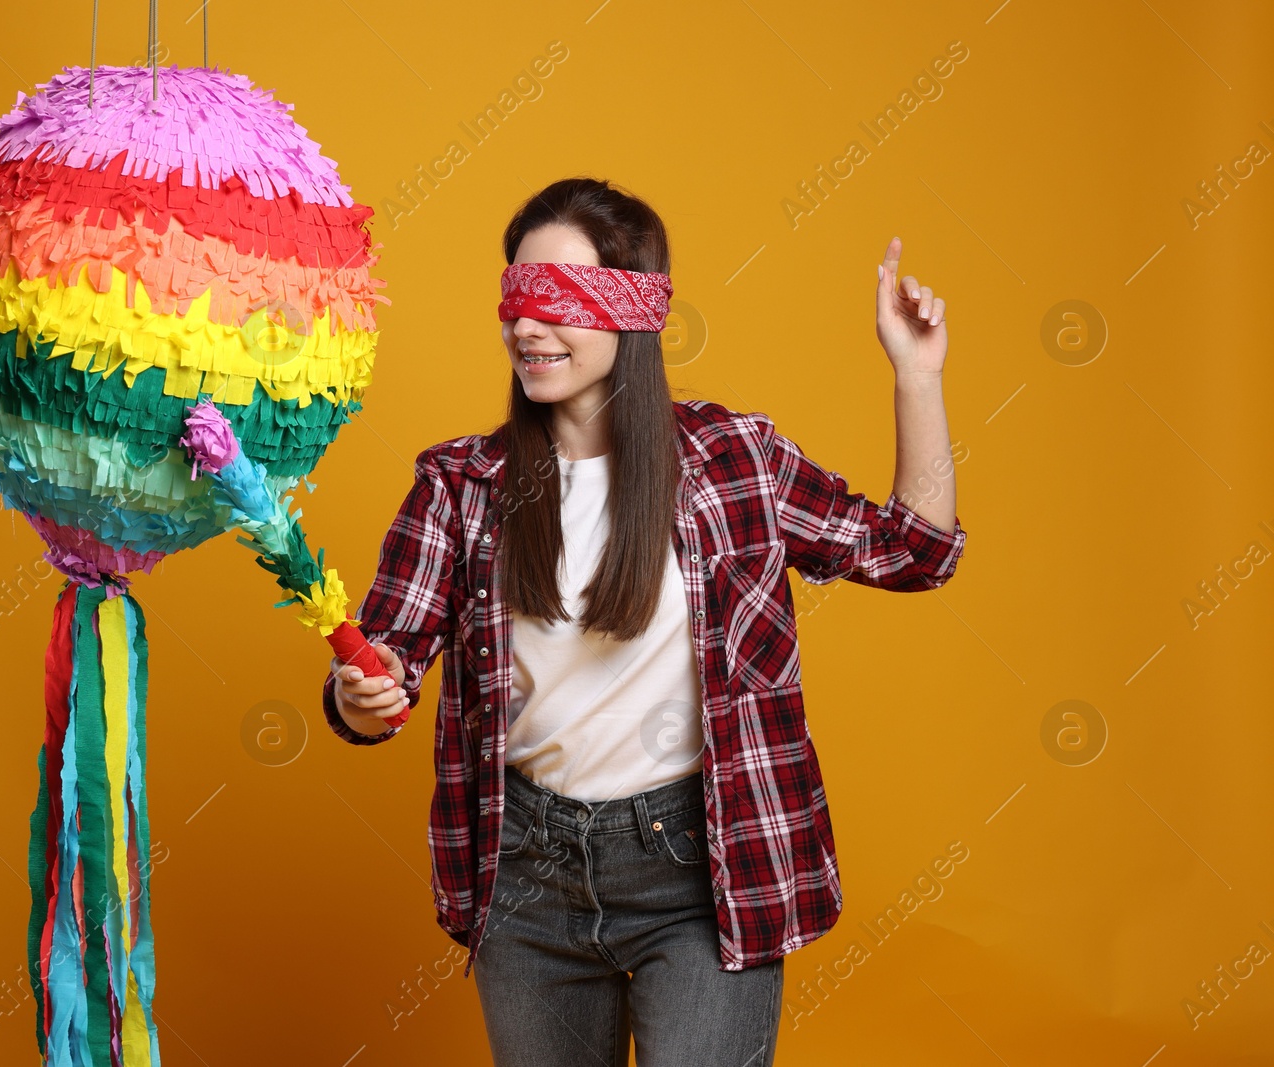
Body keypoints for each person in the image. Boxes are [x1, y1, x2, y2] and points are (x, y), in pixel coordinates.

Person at [320, 177, 966, 1066]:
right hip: (526, 873)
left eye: (560, 302)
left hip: (700, 867)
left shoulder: (732, 457)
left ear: (636, 311)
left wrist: (917, 378)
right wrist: (363, 698)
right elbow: (383, 663)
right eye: (515, 297)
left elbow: (912, 553)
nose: (526, 326)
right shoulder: (460, 485)